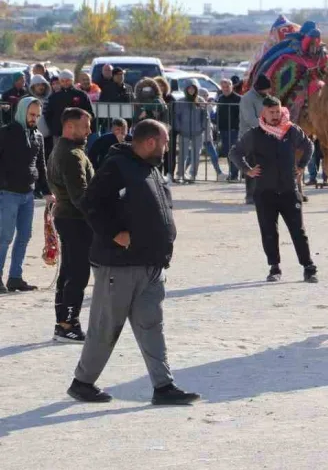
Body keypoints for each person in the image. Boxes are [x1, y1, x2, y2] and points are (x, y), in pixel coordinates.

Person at [68, 119, 200, 405]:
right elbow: (90, 203)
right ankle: (82, 382)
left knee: (152, 326)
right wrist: (115, 233)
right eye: (165, 143)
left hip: (151, 265)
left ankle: (163, 387)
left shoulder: (151, 168)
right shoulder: (117, 166)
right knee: (105, 328)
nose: (167, 149)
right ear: (151, 142)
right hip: (119, 266)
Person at [229, 95, 318, 283]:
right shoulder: (255, 134)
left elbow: (309, 146)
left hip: (289, 190)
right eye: (272, 112)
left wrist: (301, 166)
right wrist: (247, 170)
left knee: (298, 231)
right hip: (265, 192)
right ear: (264, 113)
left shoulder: (291, 130)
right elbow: (235, 152)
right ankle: (274, 267)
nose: (276, 115)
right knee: (269, 231)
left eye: (278, 111)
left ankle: (308, 267)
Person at [47, 108, 95, 342]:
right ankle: (69, 324)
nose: (90, 131)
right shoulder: (72, 154)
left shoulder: (63, 149)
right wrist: (100, 217)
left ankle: (63, 322)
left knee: (69, 271)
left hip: (68, 217)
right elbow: (80, 196)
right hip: (75, 220)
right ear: (70, 127)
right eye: (85, 126)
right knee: (77, 273)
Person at [0, 97, 51, 293]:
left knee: (24, 236)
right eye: (32, 115)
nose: (34, 119)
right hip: (7, 193)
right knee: (4, 237)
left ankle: (15, 277)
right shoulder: (6, 133)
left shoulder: (38, 136)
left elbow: (41, 166)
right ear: (22, 111)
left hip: (28, 194)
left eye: (37, 116)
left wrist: (47, 192)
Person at [44, 70, 94, 158]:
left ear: (72, 80)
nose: (65, 83)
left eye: (67, 80)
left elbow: (90, 113)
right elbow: (48, 115)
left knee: (79, 156)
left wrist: (84, 127)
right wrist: (54, 129)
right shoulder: (54, 97)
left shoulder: (81, 95)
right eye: (62, 81)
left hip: (78, 133)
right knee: (59, 157)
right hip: (59, 134)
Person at [237, 73, 270, 204]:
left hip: (266, 137)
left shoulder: (267, 98)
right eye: (266, 89)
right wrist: (269, 126)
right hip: (250, 137)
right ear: (258, 88)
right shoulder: (247, 99)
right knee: (252, 166)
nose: (268, 91)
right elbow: (250, 119)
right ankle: (250, 195)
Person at [173, 84, 206, 184]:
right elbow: (176, 116)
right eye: (189, 88)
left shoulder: (200, 100)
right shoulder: (180, 101)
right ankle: (180, 174)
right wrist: (178, 128)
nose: (191, 90)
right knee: (183, 154)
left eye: (193, 88)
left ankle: (193, 175)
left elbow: (205, 115)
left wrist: (202, 127)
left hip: (198, 132)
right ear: (186, 89)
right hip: (184, 132)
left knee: (196, 154)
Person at [197, 89, 225, 181]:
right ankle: (183, 172)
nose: (206, 97)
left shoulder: (208, 106)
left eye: (207, 95)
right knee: (192, 156)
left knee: (214, 155)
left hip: (208, 136)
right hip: (198, 135)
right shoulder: (196, 106)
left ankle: (219, 173)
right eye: (203, 95)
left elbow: (213, 118)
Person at [216, 79, 242, 181]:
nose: (225, 89)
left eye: (227, 86)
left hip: (234, 130)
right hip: (223, 129)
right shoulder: (220, 98)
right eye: (223, 87)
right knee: (228, 152)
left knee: (234, 152)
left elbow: (241, 115)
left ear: (232, 86)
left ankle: (235, 174)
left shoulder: (239, 99)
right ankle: (233, 173)